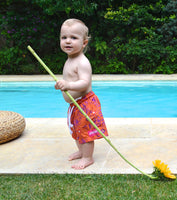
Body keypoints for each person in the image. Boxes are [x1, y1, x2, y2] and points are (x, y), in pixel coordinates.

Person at [55, 18, 108, 170]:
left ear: (84, 43)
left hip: (85, 103)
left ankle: (88, 157)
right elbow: (68, 79)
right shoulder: (69, 60)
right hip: (75, 104)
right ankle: (81, 151)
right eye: (64, 37)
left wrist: (69, 85)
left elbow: (84, 82)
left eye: (73, 38)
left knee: (85, 132)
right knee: (76, 129)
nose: (68, 41)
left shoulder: (82, 62)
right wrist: (62, 85)